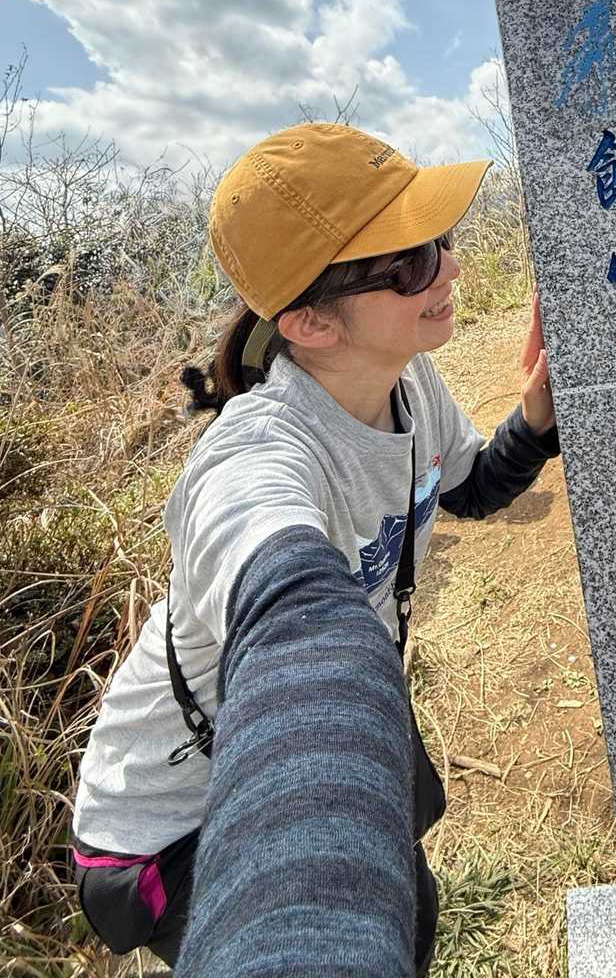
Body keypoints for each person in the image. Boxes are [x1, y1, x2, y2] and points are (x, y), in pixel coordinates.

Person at [71, 123, 559, 975]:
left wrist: (538, 419)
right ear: (308, 321)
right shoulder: (254, 456)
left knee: (412, 912)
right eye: (410, 263)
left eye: (440, 238)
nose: (449, 269)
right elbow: (291, 613)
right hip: (168, 823)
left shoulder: (408, 379)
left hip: (299, 746)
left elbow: (470, 487)